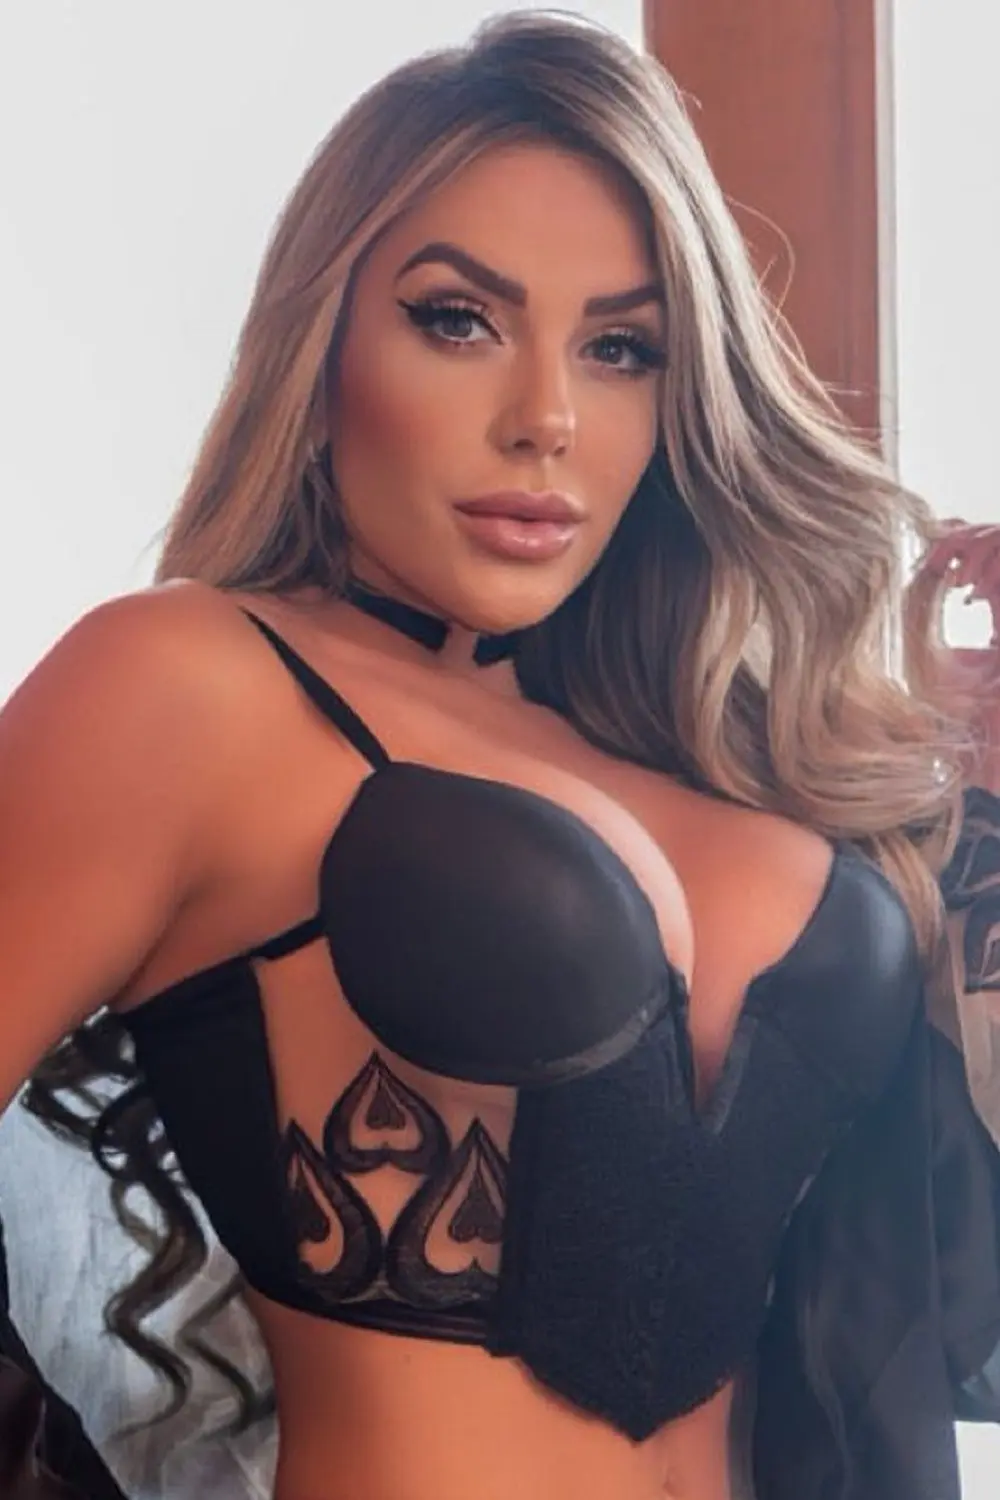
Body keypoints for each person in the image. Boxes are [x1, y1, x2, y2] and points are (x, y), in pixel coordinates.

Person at [0, 11, 998, 1499]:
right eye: (458, 320)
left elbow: (947, 1288)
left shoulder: (729, 753)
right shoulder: (186, 685)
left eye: (620, 348)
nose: (547, 419)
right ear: (322, 346)